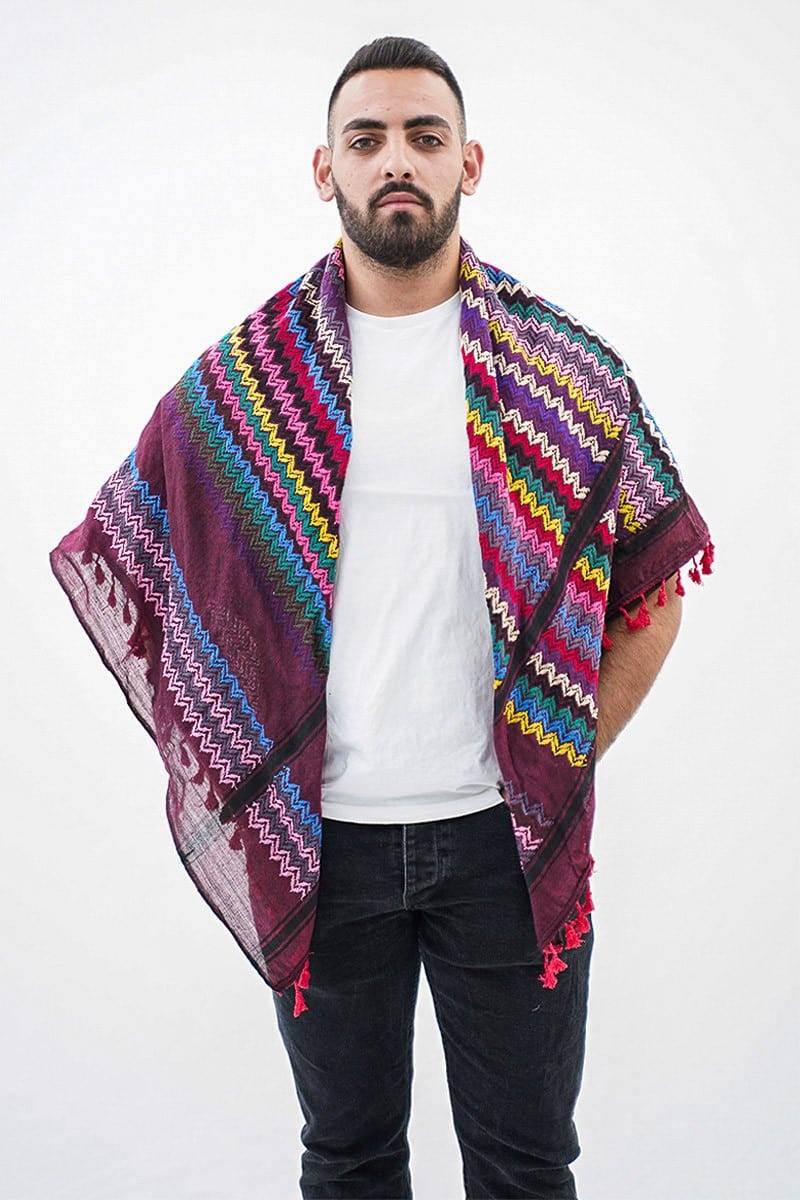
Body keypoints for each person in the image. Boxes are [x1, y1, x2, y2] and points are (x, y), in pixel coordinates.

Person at [51, 35, 712, 1200]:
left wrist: (549, 756)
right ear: (326, 170)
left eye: (421, 136)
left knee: (524, 1165)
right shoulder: (244, 386)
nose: (394, 159)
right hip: (324, 846)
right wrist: (242, 751)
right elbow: (145, 566)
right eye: (366, 140)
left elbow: (648, 601)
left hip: (501, 845)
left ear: (468, 161)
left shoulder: (564, 372)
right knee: (347, 1161)